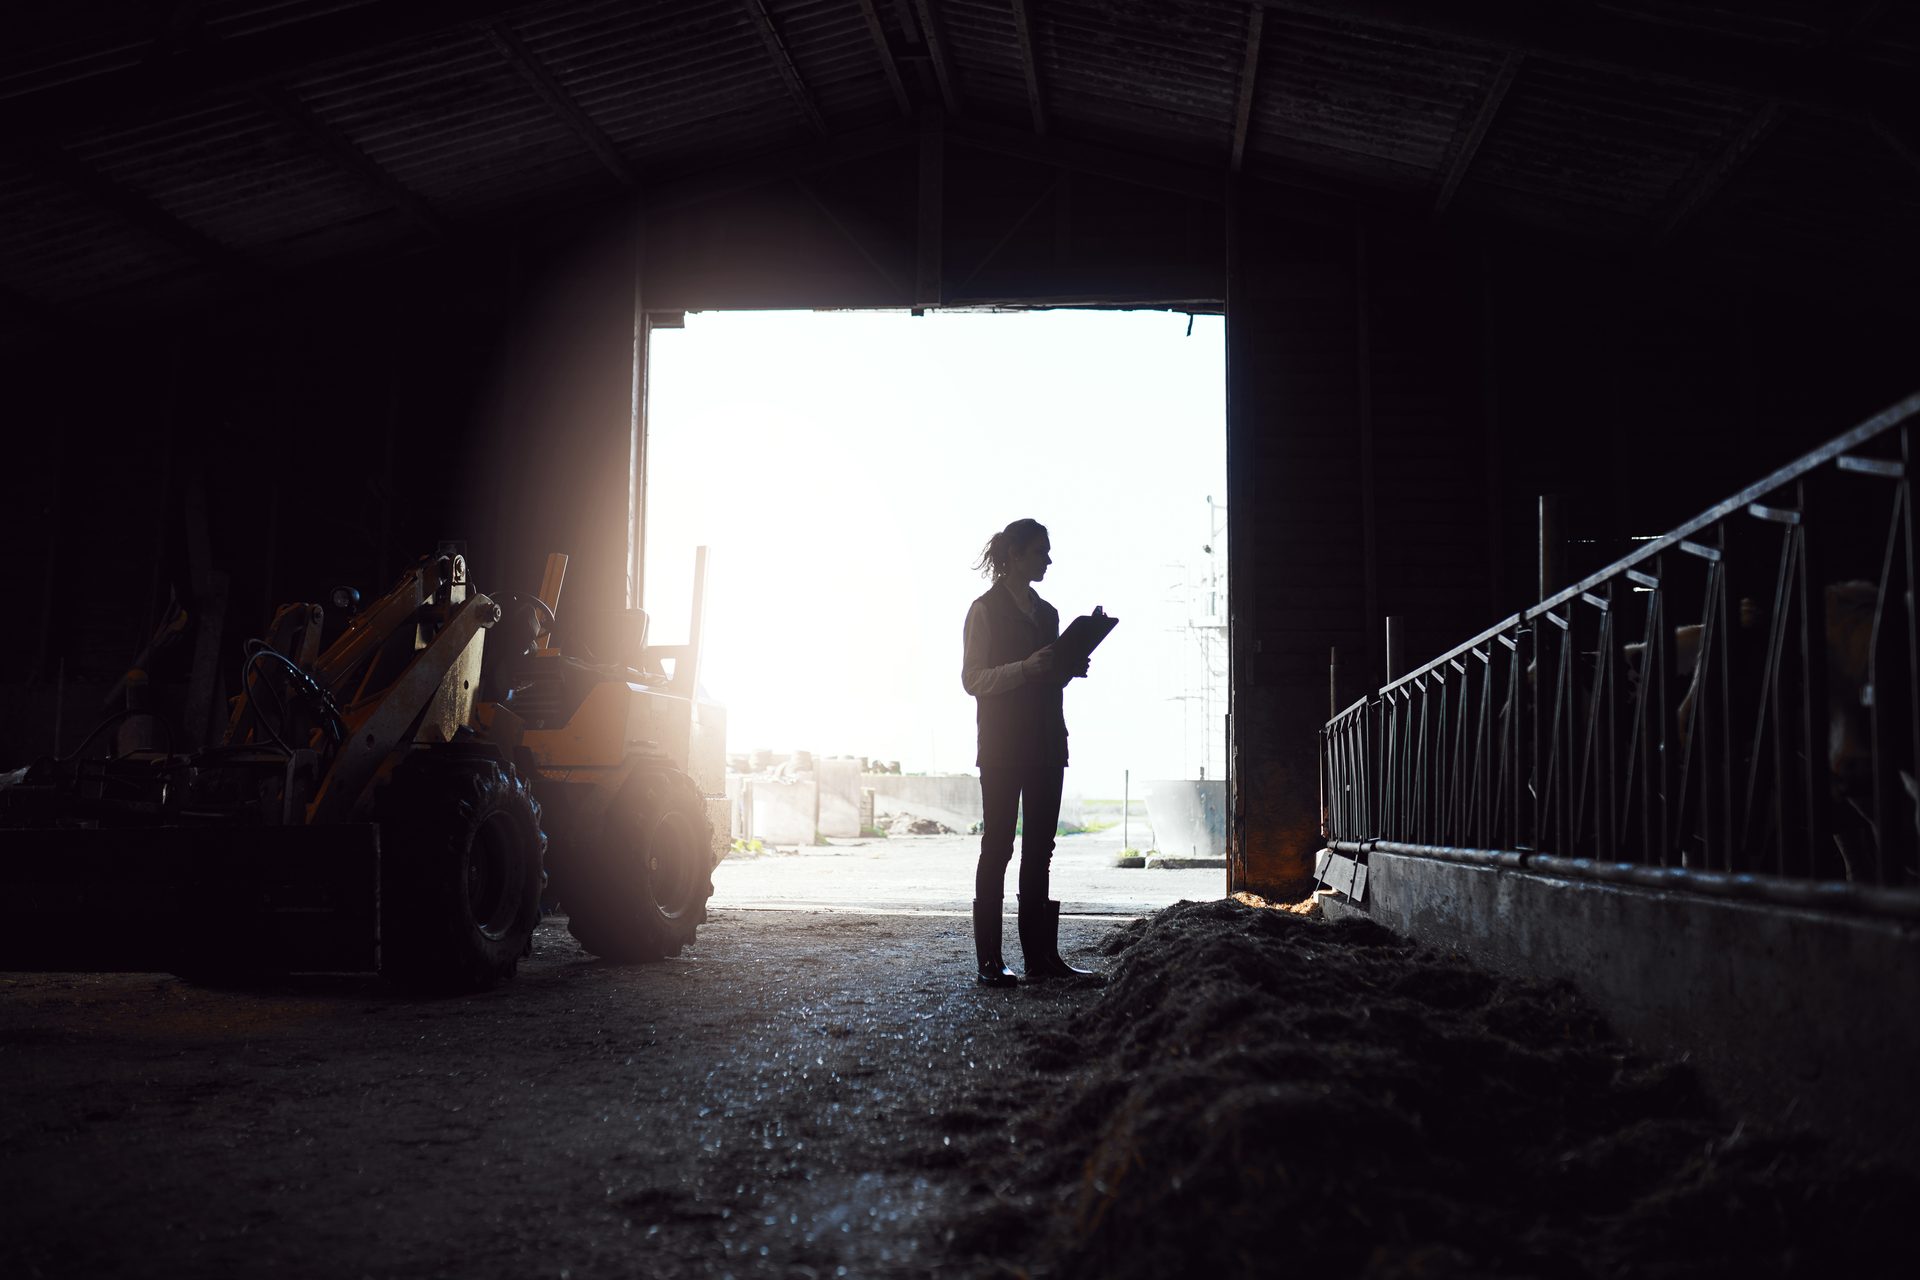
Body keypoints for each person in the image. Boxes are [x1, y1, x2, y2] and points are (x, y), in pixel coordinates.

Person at [961, 518, 1097, 986]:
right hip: (1001, 746)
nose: (1049, 560)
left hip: (1046, 742)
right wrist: (1024, 667)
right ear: (1016, 555)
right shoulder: (984, 610)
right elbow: (972, 679)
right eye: (1041, 552)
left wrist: (1068, 666)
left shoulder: (1049, 615)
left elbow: (1049, 676)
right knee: (997, 848)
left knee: (1040, 850)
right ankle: (990, 963)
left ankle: (1041, 959)